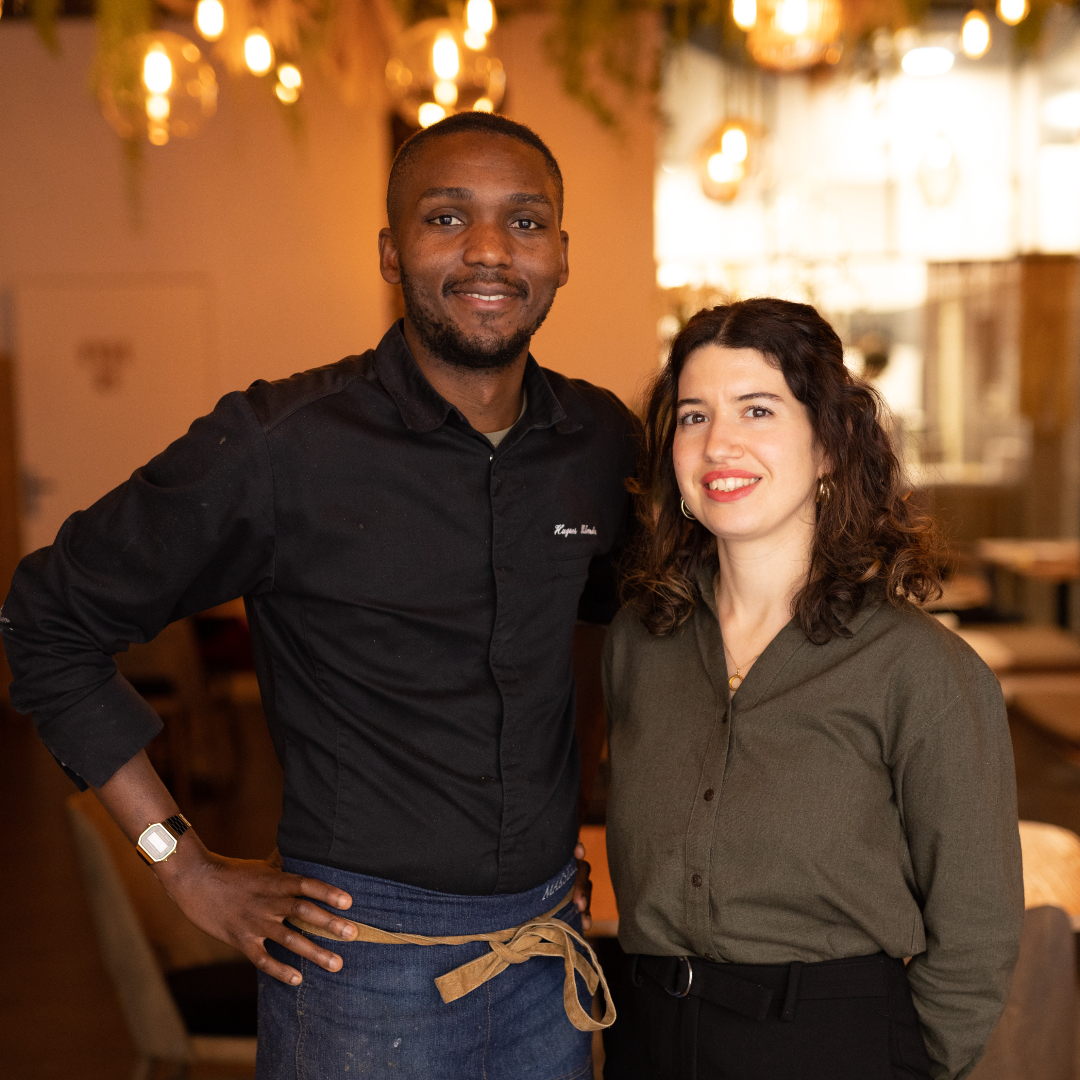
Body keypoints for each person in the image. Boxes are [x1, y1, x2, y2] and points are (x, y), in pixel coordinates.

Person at [1, 112, 636, 1079]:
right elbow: (46, 618)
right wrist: (182, 864)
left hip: (548, 960)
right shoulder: (281, 445)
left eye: (525, 221)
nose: (488, 250)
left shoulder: (598, 442)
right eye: (446, 218)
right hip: (358, 973)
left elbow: (648, 624)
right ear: (390, 253)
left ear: (560, 256)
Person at [600, 299, 1023, 1080]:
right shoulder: (638, 642)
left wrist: (904, 1066)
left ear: (830, 445)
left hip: (833, 1047)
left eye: (757, 409)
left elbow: (979, 929)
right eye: (694, 416)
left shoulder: (918, 668)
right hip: (649, 1038)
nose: (719, 443)